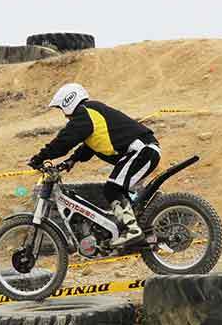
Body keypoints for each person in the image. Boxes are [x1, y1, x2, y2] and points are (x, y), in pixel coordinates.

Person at [28, 83, 161, 246]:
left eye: (62, 109)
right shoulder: (91, 114)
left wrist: (40, 157)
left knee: (112, 188)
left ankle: (132, 230)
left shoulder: (84, 113)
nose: (64, 115)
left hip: (141, 151)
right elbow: (89, 145)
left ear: (68, 103)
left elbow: (64, 140)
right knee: (116, 190)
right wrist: (71, 160)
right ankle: (133, 228)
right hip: (141, 152)